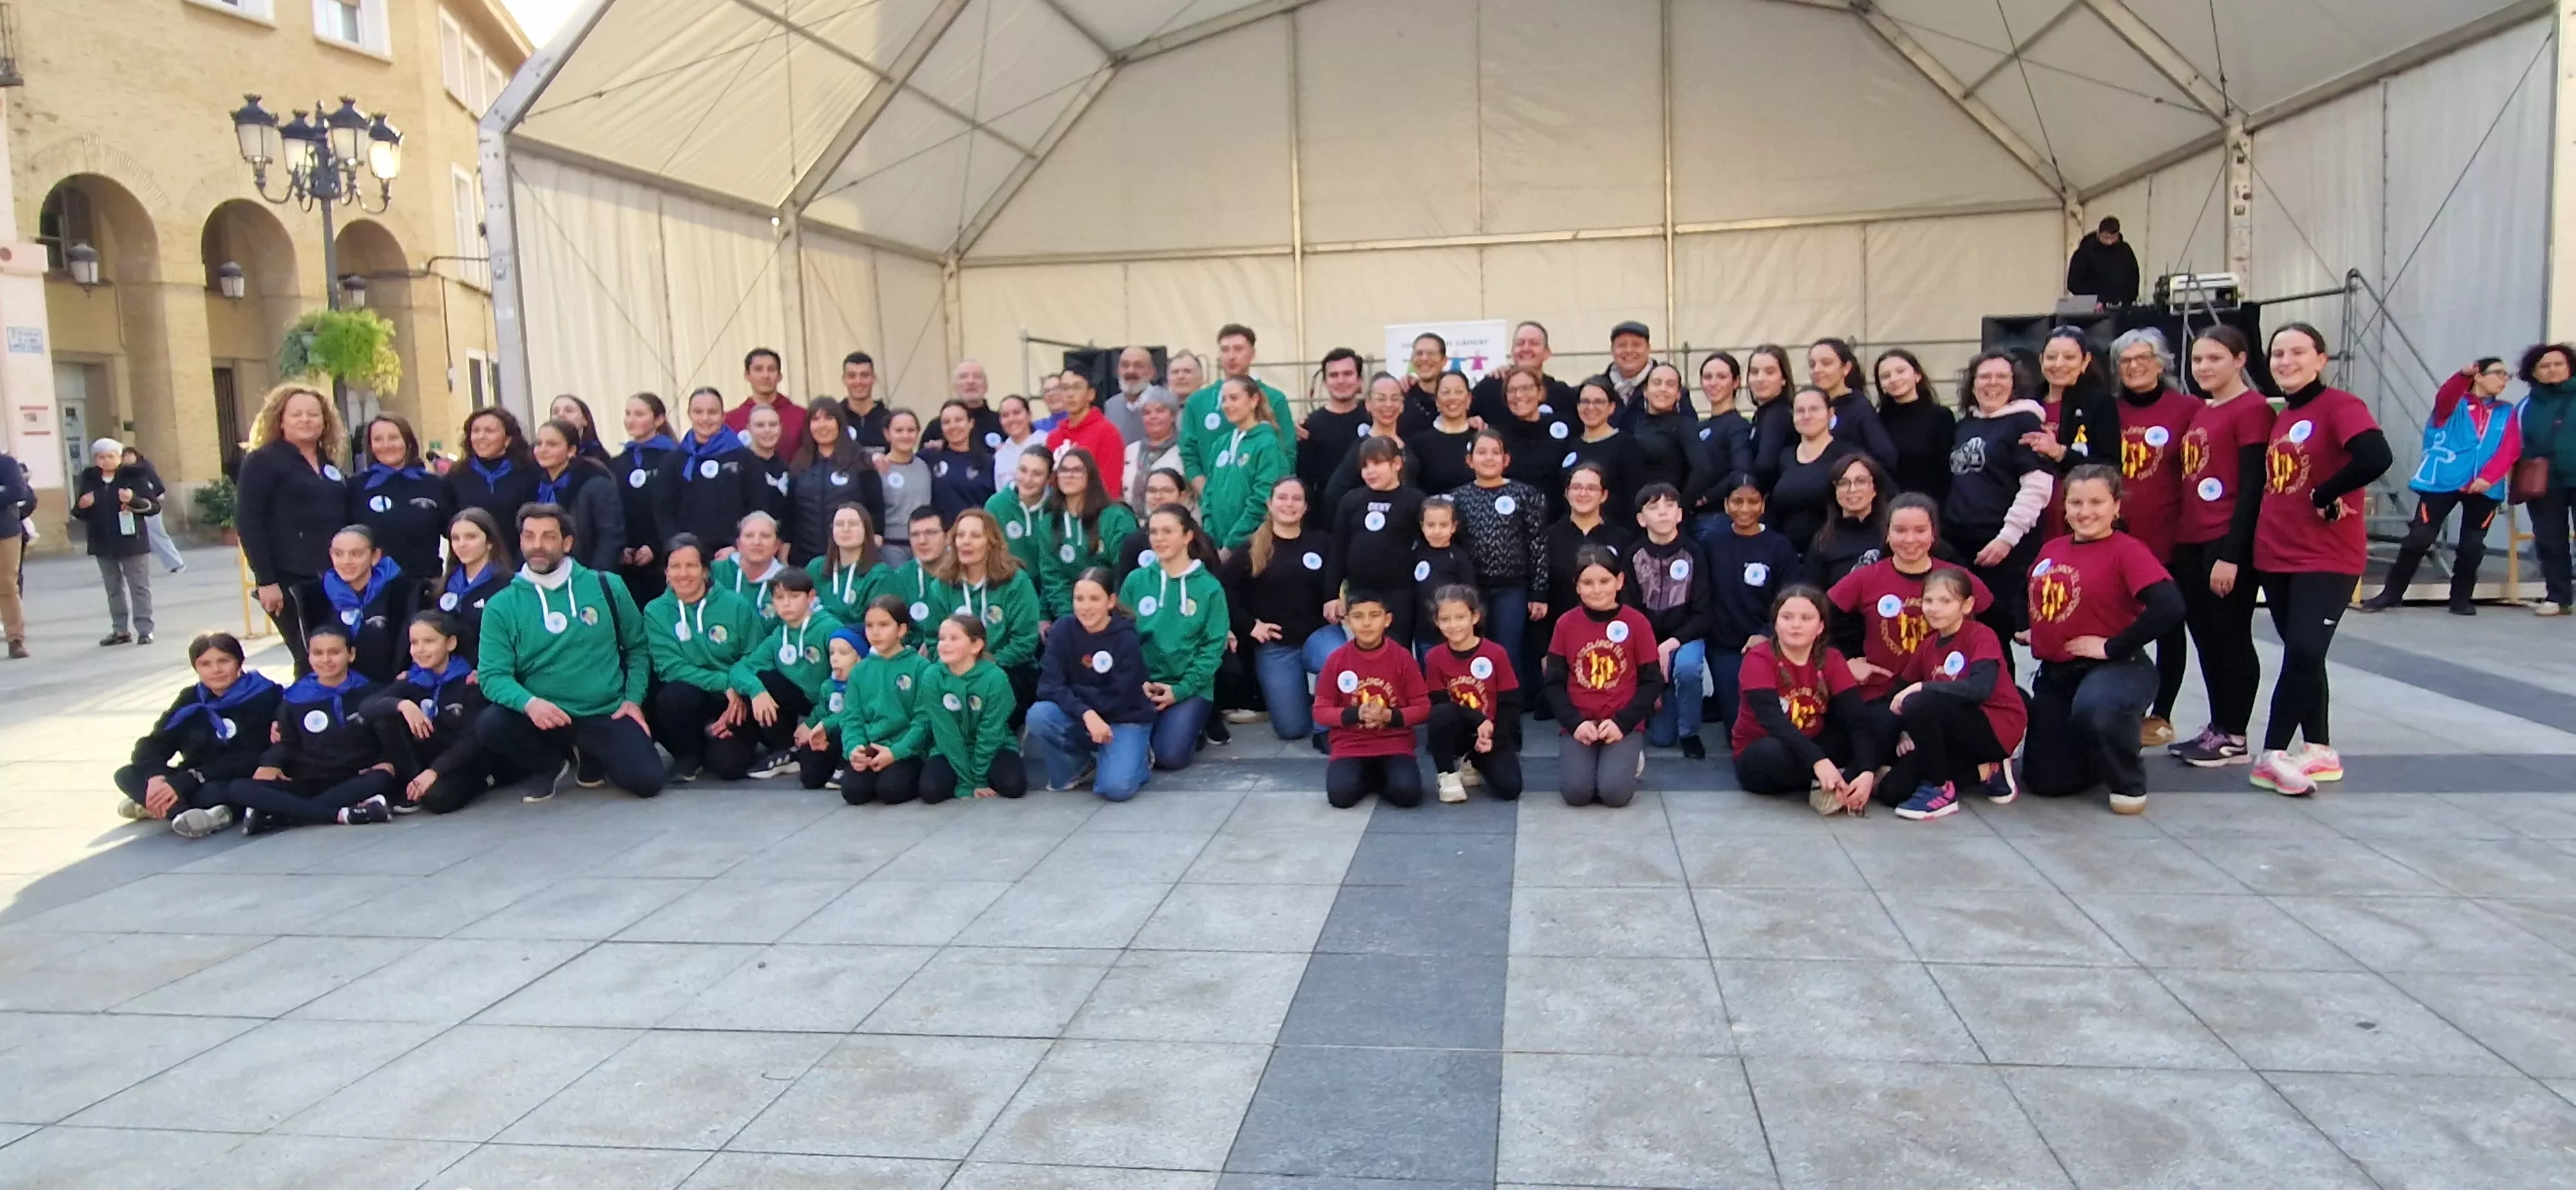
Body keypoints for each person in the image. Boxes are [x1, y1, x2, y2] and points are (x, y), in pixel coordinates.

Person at [2249, 324, 2390, 795]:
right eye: (2278, 354)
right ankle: (2319, 747)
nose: (2286, 361)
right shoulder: (2283, 414)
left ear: (2321, 359)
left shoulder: (2341, 406)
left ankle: (2272, 753)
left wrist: (2326, 492)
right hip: (2277, 553)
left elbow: (2375, 456)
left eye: (2297, 352)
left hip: (2326, 555)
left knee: (2306, 650)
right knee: (2303, 654)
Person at [2022, 465, 2185, 814]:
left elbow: (2170, 606)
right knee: (2046, 782)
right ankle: (2097, 749)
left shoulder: (2127, 550)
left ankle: (2128, 781)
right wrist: (2037, 628)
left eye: (2097, 502)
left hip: (2116, 668)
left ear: (2116, 506)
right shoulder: (2051, 548)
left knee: (2098, 708)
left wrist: (2112, 646)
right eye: (2076, 503)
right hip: (2057, 675)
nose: (2085, 512)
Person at [472, 503, 663, 802]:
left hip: (604, 710)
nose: (537, 545)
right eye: (529, 536)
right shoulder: (501, 605)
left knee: (647, 781)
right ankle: (548, 764)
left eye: (548, 536)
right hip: (542, 716)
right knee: (491, 725)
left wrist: (633, 700)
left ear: (567, 543)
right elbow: (493, 675)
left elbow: (638, 647)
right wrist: (530, 704)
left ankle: (590, 754)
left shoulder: (606, 586)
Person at [2168, 326, 2273, 768]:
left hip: (2224, 540)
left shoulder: (2252, 410)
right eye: (2197, 360)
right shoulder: (2203, 411)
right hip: (2192, 538)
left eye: (2215, 359)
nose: (2204, 368)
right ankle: (2217, 724)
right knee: (2206, 637)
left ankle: (2235, 733)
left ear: (2240, 360)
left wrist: (2231, 553)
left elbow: (2252, 487)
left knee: (2230, 636)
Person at [2104, 327, 2204, 750]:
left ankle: (2161, 713)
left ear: (2161, 363)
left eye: (2142, 358)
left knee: (2168, 626)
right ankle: (2119, 705)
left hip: (2169, 535)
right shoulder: (2107, 410)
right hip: (2117, 538)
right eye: (2125, 361)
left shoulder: (2188, 409)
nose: (2134, 367)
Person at [2362, 358, 2522, 614]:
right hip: (2442, 480)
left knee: (2472, 545)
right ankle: (2391, 593)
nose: (2504, 379)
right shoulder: (2454, 404)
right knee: (2419, 538)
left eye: (2507, 375)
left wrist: (2489, 477)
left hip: (2485, 487)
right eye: (2498, 373)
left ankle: (2460, 598)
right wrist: (2462, 375)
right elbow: (2445, 397)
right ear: (2479, 376)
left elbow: (2510, 447)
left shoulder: (2506, 411)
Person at [202, 625, 397, 835]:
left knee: (381, 778)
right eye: (318, 653)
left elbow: (388, 739)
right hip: (307, 780)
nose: (326, 660)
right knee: (239, 788)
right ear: (309, 657)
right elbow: (287, 742)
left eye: (334, 652)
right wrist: (271, 763)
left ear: (351, 654)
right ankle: (340, 814)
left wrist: (387, 761)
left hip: (353, 777)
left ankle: (281, 815)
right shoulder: (295, 697)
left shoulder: (371, 692)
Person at [1880, 569, 2027, 819]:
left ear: (1967, 605)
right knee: (1892, 791)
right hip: (1953, 733)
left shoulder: (1981, 635)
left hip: (1995, 726)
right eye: (1929, 600)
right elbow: (1899, 691)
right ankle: (1988, 771)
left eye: (1946, 601)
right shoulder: (1927, 646)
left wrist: (1923, 687)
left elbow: (1980, 688)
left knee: (1920, 701)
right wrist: (1905, 732)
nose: (1934, 608)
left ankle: (1939, 789)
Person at [1826, 494, 1992, 705]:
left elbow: (1995, 632)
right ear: (1887, 534)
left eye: (1920, 531)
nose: (1910, 540)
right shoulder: (1864, 578)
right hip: (1881, 695)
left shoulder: (1959, 579)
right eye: (1900, 531)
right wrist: (1846, 661)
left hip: (1947, 694)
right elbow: (1819, 622)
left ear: (1933, 534)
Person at [1730, 587, 1882, 815]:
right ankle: (1832, 781)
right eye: (1787, 617)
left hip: (1813, 740)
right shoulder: (1758, 659)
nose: (1796, 625)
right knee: (1771, 753)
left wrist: (1866, 771)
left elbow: (1856, 718)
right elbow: (1772, 721)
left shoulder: (1832, 658)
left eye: (1806, 618)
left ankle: (1851, 781)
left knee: (1881, 720)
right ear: (1775, 624)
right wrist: (1818, 761)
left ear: (1820, 627)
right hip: (1765, 748)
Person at [115, 631, 280, 837]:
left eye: (224, 661)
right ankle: (186, 814)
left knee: (220, 793)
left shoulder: (265, 695)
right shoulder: (191, 698)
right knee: (127, 774)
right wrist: (155, 776)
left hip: (231, 776)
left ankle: (163, 807)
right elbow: (156, 742)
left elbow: (251, 756)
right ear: (196, 668)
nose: (216, 670)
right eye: (205, 664)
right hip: (192, 776)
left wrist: (190, 779)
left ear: (239, 662)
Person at [238, 382, 351, 675]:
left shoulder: (328, 464)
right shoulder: (264, 461)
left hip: (332, 576)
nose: (305, 420)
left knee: (334, 652)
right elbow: (249, 521)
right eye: (296, 414)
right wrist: (266, 581)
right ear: (281, 420)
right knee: (310, 656)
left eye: (313, 414)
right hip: (290, 579)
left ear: (325, 421)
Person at [1944, 350, 2053, 652]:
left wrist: (2006, 539)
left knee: (1995, 633)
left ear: (2014, 383)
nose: (1992, 383)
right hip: (1961, 543)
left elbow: (2038, 486)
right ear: (1972, 383)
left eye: (2001, 376)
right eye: (1984, 377)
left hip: (2002, 547)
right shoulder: (1966, 424)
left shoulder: (2024, 422)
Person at [1220, 478, 1340, 742]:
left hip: (1319, 635)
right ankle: (1304, 699)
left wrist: (1337, 598)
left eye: (1297, 499)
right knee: (1291, 730)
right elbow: (1223, 589)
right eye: (1282, 498)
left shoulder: (1322, 543)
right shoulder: (1252, 548)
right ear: (1270, 504)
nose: (1289, 504)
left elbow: (1339, 576)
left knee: (1337, 658)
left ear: (1306, 507)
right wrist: (1249, 625)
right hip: (1277, 646)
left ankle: (1327, 729)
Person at [363, 610, 515, 815]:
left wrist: (435, 771)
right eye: (414, 643)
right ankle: (412, 783)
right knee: (384, 716)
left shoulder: (470, 681)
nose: (420, 649)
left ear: (450, 643)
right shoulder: (413, 680)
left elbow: (472, 740)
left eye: (429, 641)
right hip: (426, 756)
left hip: (460, 760)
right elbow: (366, 707)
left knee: (438, 799)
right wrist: (402, 705)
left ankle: (483, 780)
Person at [1546, 545, 1661, 809]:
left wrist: (1623, 722)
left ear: (1619, 582)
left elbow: (1652, 681)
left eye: (1605, 581)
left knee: (1614, 795)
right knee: (1577, 794)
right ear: (1577, 586)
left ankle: (1629, 757)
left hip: (1621, 720)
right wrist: (1575, 723)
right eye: (1588, 583)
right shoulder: (1566, 624)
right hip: (1580, 721)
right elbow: (1553, 683)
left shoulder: (1637, 623)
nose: (1597, 590)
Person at [644, 534, 763, 782]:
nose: (683, 574)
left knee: (728, 767)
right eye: (675, 566)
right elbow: (670, 667)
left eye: (691, 565)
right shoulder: (655, 611)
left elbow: (755, 656)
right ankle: (690, 754)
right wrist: (725, 683)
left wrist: (738, 690)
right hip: (692, 696)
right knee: (672, 697)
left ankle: (719, 742)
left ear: (706, 571)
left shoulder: (736, 605)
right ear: (666, 573)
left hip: (734, 701)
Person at [1028, 570, 1157, 799]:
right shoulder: (1063, 630)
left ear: (1111, 601)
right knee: (1040, 715)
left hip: (1124, 718)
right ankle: (1079, 766)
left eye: (1094, 599)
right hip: (1085, 716)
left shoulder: (1126, 638)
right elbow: (1049, 685)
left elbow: (1120, 696)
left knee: (1116, 789)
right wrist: (1086, 714)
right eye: (1079, 599)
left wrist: (1076, 698)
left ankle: (1139, 758)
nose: (1086, 607)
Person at [1119, 504, 1229, 770]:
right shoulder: (1136, 580)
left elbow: (1213, 648)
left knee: (1169, 757)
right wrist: (1137, 681)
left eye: (1168, 531)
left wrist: (1180, 690)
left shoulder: (1210, 588)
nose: (1159, 539)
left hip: (1188, 686)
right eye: (1154, 532)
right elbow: (1121, 637)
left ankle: (1196, 724)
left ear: (1187, 536)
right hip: (1142, 684)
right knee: (1128, 749)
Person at [1697, 475, 1797, 742]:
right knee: (1739, 729)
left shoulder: (1779, 546)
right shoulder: (1711, 543)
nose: (1745, 509)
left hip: (1770, 645)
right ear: (1726, 505)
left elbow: (1789, 597)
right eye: (1737, 501)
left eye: (1753, 502)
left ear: (1763, 505)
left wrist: (1766, 633)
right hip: (1724, 648)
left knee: (1770, 721)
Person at [926, 507, 1045, 730]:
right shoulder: (941, 585)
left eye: (975, 536)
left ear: (991, 543)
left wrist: (984, 667)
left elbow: (1025, 642)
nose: (966, 542)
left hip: (1007, 670)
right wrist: (958, 667)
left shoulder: (1016, 581)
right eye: (961, 536)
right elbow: (933, 639)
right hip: (954, 670)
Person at [1311, 588, 1430, 808]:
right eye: (1358, 617)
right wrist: (1355, 714)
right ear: (1347, 621)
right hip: (1351, 743)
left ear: (1388, 620)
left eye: (1374, 616)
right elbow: (1320, 711)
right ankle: (1369, 775)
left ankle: (1381, 775)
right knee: (1340, 797)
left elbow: (1423, 707)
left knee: (1408, 795)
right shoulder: (1336, 660)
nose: (1367, 623)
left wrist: (1389, 716)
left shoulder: (1403, 658)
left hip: (1394, 743)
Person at [1446, 430, 1548, 682]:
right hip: (1470, 589)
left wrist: (1539, 592)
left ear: (1506, 459)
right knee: (1471, 649)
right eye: (1482, 452)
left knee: (1507, 652)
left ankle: (1509, 702)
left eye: (1495, 452)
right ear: (1469, 460)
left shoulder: (1525, 494)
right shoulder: (1456, 499)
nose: (1489, 458)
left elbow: (1537, 543)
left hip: (1512, 589)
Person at [726, 567, 843, 779]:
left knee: (812, 776)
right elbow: (740, 669)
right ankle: (784, 748)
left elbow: (843, 682)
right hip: (802, 700)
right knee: (762, 680)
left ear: (811, 597)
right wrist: (757, 691)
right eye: (780, 598)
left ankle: (809, 749)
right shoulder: (778, 636)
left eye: (794, 596)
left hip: (832, 707)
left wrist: (812, 723)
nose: (787, 604)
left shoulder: (830, 628)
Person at [1535, 463, 1634, 708]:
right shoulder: (1547, 537)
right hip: (1562, 648)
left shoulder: (1622, 538)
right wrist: (1545, 653)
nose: (1583, 493)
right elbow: (1538, 599)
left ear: (1604, 495)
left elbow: (1629, 597)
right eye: (1577, 487)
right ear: (1567, 493)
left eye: (1591, 488)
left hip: (1611, 646)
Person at [1626, 484, 1713, 758]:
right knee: (1662, 739)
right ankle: (1657, 700)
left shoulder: (1694, 552)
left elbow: (1703, 613)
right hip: (1646, 640)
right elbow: (1630, 612)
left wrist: (1670, 645)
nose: (1663, 513)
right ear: (1641, 519)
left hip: (1685, 637)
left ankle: (1690, 732)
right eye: (1654, 507)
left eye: (1669, 506)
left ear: (1680, 514)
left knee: (1687, 668)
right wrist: (1651, 651)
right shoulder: (1633, 555)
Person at [1422, 586, 1522, 802]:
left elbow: (1510, 703)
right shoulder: (1434, 657)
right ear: (1437, 622)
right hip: (1458, 730)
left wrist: (1495, 739)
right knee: (1440, 714)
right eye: (1445, 619)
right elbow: (1439, 704)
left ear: (1475, 617)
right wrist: (1476, 719)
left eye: (1460, 617)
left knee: (1510, 788)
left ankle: (1473, 761)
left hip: (1490, 733)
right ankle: (1447, 774)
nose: (1453, 625)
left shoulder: (1496, 653)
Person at [829, 598, 929, 804]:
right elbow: (852, 718)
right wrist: (855, 748)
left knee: (891, 790)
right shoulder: (860, 671)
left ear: (901, 630)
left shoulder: (920, 667)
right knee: (853, 792)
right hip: (873, 747)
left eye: (884, 625)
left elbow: (923, 719)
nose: (875, 632)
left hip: (907, 749)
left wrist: (896, 752)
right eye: (869, 626)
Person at [1329, 438, 1427, 646]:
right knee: (1363, 650)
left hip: (1400, 593)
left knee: (1397, 650)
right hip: (1359, 590)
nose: (1370, 471)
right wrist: (1331, 595)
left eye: (1378, 463)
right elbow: (1338, 549)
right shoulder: (1351, 500)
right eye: (1365, 466)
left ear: (1397, 464)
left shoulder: (1415, 501)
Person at [918, 613, 1027, 801]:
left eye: (954, 638)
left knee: (1013, 786)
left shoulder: (995, 678)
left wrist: (979, 777)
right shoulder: (932, 676)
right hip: (949, 748)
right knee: (930, 791)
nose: (945, 644)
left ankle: (988, 772)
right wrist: (968, 783)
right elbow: (946, 732)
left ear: (976, 646)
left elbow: (991, 731)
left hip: (994, 746)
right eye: (942, 639)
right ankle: (961, 776)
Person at [2029, 328, 2122, 543]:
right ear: (2041, 360)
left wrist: (2060, 453)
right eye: (2052, 357)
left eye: (2069, 357)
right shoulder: (2027, 404)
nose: (2059, 364)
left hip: (2079, 518)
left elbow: (2110, 466)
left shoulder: (2099, 403)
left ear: (2085, 361)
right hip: (2030, 519)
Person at [655, 387, 765, 556]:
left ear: (723, 415)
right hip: (687, 556)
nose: (705, 418)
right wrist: (678, 547)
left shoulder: (746, 459)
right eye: (698, 412)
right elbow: (663, 512)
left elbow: (757, 508)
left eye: (712, 412)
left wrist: (738, 547)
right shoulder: (674, 460)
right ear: (689, 414)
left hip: (734, 554)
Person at [1180, 326, 1296, 486]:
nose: (1231, 356)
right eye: (1225, 350)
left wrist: (1269, 495)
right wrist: (1207, 493)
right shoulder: (1198, 401)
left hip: (1262, 496)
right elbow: (1189, 455)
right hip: (1211, 495)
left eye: (1239, 349)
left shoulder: (1275, 398)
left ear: (1253, 354)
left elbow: (1287, 453)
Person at [76, 437, 162, 646]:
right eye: (101, 457)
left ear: (120, 458)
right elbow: (79, 512)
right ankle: (120, 630)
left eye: (111, 456)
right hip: (103, 542)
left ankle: (145, 629)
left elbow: (153, 507)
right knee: (113, 589)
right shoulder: (90, 480)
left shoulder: (133, 477)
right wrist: (83, 506)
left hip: (133, 541)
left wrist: (133, 499)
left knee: (139, 587)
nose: (106, 461)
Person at [1035, 447, 1136, 619]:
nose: (1069, 475)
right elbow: (1053, 579)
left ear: (1091, 475)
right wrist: (1071, 618)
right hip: (1071, 614)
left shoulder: (1116, 517)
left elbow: (1125, 572)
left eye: (1077, 470)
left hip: (1114, 612)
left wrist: (1108, 613)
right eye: (1064, 470)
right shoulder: (1049, 523)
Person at [348, 414, 448, 587]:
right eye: (378, 439)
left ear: (408, 442)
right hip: (373, 589)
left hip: (425, 587)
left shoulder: (434, 485)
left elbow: (456, 533)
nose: (386, 445)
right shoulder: (356, 487)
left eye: (393, 438)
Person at [309, 525, 413, 682]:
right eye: (338, 554)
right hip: (336, 687)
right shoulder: (316, 595)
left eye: (356, 554)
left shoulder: (402, 592)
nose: (346, 561)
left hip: (388, 686)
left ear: (375, 556)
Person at [1200, 375, 1292, 552]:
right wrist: (1210, 540)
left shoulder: (1268, 443)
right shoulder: (1220, 444)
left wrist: (1232, 544)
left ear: (1254, 400)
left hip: (1252, 546)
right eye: (1224, 400)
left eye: (1234, 398)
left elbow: (1263, 497)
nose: (1227, 405)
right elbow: (1209, 494)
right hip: (1217, 546)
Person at [786, 397, 882, 565]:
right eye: (815, 419)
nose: (822, 425)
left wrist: (875, 538)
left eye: (829, 418)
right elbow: (791, 513)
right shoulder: (799, 464)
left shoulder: (860, 461)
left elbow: (876, 508)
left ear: (839, 423)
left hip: (850, 557)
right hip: (805, 559)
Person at [2519, 343, 2576, 614]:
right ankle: (2558, 597)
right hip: (2544, 482)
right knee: (2550, 539)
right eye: (2545, 365)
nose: (2552, 369)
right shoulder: (2525, 406)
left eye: (2558, 364)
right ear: (2534, 372)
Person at [1768, 387, 1859, 554]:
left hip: (1831, 553)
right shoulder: (1785, 456)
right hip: (1789, 555)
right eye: (1800, 411)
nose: (1807, 416)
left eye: (1814, 409)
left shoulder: (1848, 456)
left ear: (1830, 414)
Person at [532, 419, 625, 574]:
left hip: (586, 571)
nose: (542, 450)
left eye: (552, 444)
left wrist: (595, 577)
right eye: (538, 444)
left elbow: (611, 536)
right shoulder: (536, 483)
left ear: (571, 451)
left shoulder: (596, 482)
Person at [612, 393, 678, 605]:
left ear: (659, 420)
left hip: (662, 556)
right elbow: (616, 509)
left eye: (639, 414)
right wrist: (622, 546)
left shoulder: (674, 458)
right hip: (629, 560)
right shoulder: (618, 462)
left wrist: (655, 546)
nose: (631, 420)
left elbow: (675, 507)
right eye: (628, 414)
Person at [1324, 374, 1421, 513]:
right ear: (1368, 404)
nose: (1388, 405)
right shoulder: (1361, 447)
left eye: (1394, 399)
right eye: (1381, 399)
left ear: (1402, 405)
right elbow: (1334, 492)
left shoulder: (1408, 444)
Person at [1630, 362, 1712, 515]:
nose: (1663, 389)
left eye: (1670, 384)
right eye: (1657, 383)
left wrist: (1680, 507)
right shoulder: (1635, 423)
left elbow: (1703, 470)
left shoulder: (1684, 425)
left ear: (1679, 394)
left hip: (1668, 514)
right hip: (1639, 512)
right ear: (1645, 391)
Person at [1803, 453, 1895, 588]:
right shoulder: (1823, 541)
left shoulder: (1893, 534)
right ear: (1835, 491)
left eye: (1861, 481)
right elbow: (1812, 592)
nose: (1852, 489)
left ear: (1875, 488)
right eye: (1844, 483)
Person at [1874, 348, 1953, 501]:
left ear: (1917, 375)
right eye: (1885, 376)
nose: (1894, 379)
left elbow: (1946, 472)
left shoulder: (1940, 417)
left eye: (1901, 371)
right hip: (1889, 506)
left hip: (1930, 504)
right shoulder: (1878, 421)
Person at [432, 509, 512, 658]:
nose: (462, 544)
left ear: (490, 542)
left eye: (471, 537)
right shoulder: (445, 584)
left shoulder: (507, 586)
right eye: (456, 538)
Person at [1564, 378, 1643, 525]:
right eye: (1585, 401)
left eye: (1599, 402)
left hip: (1614, 529)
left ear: (1612, 407)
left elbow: (1633, 497)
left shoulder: (1626, 444)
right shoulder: (1572, 444)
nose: (1591, 407)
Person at [1808, 339, 1897, 469]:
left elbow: (1886, 457)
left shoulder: (1860, 409)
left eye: (1826, 363)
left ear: (1846, 368)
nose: (1817, 370)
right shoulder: (1811, 406)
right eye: (1812, 365)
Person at [448, 408, 542, 529]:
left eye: (489, 431)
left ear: (508, 439)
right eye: (476, 431)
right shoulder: (457, 475)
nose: (481, 436)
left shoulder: (529, 471)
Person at [1470, 321, 1577, 426]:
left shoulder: (1562, 395)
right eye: (1520, 343)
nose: (1526, 348)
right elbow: (1463, 419)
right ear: (1512, 351)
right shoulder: (1488, 389)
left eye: (1534, 343)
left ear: (1547, 353)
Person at [1298, 348, 1370, 496]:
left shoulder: (1373, 420)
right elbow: (1305, 482)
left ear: (1360, 380)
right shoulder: (1309, 427)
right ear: (1325, 382)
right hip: (1323, 508)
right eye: (1333, 375)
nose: (1341, 381)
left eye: (1347, 374)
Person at [1493, 364, 1576, 495]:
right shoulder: (1498, 436)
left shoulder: (1566, 427)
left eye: (1525, 388)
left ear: (1540, 392)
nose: (1518, 395)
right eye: (1512, 390)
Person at [1046, 370, 1126, 498]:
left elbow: (1111, 487)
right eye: (1065, 388)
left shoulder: (1108, 433)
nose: (1070, 394)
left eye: (1077, 387)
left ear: (1091, 394)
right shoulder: (1054, 437)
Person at [1412, 496, 1475, 653]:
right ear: (1422, 526)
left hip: (1451, 633)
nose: (1437, 531)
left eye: (1444, 525)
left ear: (1454, 527)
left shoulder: (1459, 558)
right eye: (1431, 525)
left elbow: (1469, 595)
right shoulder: (1416, 553)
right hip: (1423, 632)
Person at [712, 511, 793, 628]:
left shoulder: (788, 582)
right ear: (739, 544)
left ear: (776, 546)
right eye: (749, 536)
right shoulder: (715, 572)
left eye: (765, 536)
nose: (757, 542)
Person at [808, 504, 887, 625]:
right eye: (839, 524)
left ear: (866, 530)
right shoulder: (816, 568)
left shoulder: (880, 574)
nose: (845, 529)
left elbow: (875, 624)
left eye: (853, 524)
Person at [878, 409, 934, 565]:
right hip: (891, 547)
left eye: (911, 430)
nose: (905, 435)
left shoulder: (924, 465)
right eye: (899, 430)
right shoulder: (879, 468)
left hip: (924, 544)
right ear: (887, 434)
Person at [923, 400, 998, 518]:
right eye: (946, 422)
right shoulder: (929, 457)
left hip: (975, 527)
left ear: (971, 423)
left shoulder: (988, 462)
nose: (953, 426)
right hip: (941, 529)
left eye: (958, 420)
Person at [988, 446, 1054, 576]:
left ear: (1049, 479)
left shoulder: (1058, 505)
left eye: (1037, 474)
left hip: (1051, 584)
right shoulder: (996, 505)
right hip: (1011, 583)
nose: (1028, 479)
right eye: (1023, 470)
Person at [1115, 470, 1188, 587]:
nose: (1158, 496)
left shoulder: (1198, 539)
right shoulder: (1134, 542)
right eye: (1152, 491)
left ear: (1182, 496)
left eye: (1167, 491)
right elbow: (1123, 589)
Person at [724, 347, 807, 446]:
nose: (766, 375)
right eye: (758, 369)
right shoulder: (730, 421)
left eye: (771, 369)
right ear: (747, 375)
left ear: (779, 376)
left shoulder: (802, 417)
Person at [121, 446, 185, 574]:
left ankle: (176, 563)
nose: (127, 458)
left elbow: (159, 486)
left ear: (136, 455)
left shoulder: (143, 468)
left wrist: (149, 498)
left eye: (130, 455)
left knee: (157, 534)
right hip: (132, 508)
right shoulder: (124, 472)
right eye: (124, 456)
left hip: (149, 507)